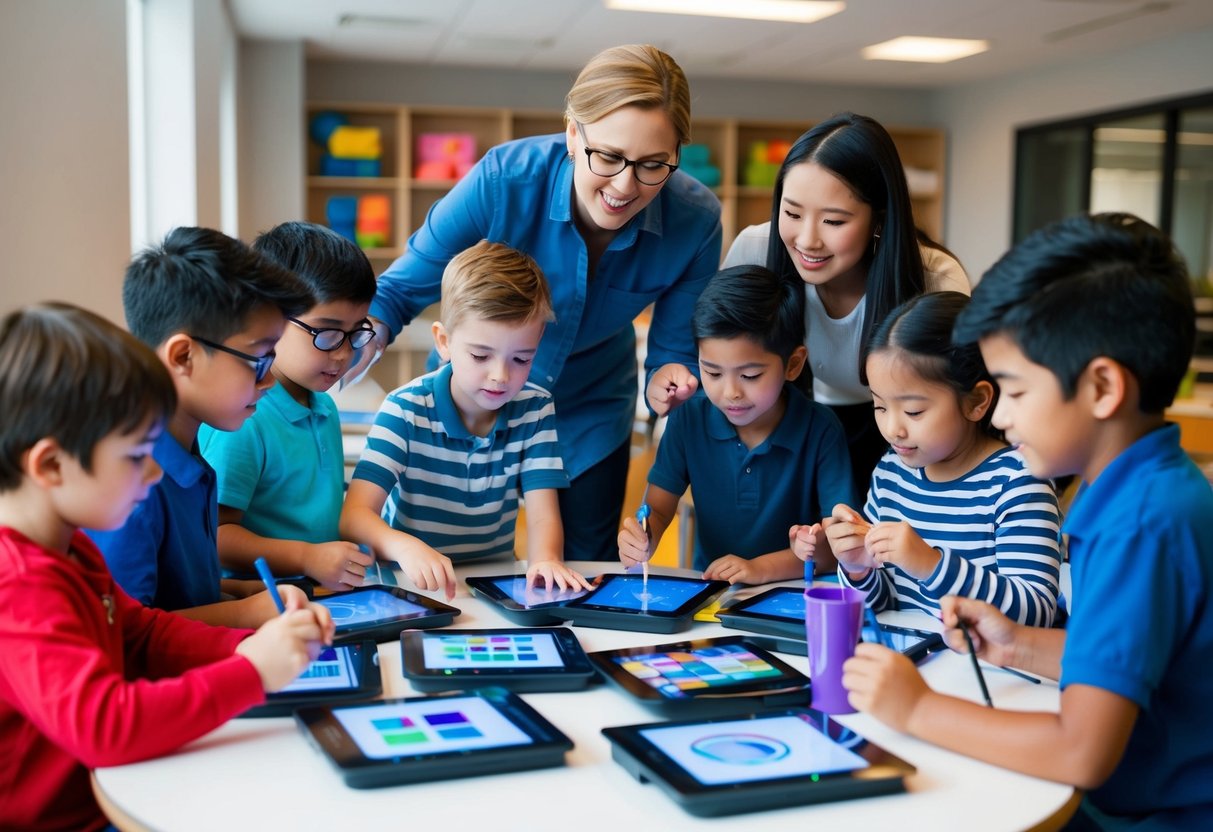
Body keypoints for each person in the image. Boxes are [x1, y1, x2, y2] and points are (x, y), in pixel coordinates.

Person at [843, 214, 1213, 829]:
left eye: (1014, 391)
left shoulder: (1141, 524)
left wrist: (918, 710)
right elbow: (1131, 659)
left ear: (1101, 388)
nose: (1003, 417)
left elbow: (1082, 751)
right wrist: (1018, 644)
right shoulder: (1139, 490)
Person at [354, 44, 723, 561]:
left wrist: (668, 378)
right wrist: (347, 343)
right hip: (469, 399)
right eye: (609, 157)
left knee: (583, 564)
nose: (625, 186)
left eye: (652, 165)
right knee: (447, 553)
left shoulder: (694, 220)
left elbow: (672, 351)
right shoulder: (505, 180)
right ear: (574, 133)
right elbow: (399, 291)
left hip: (590, 406)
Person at [0, 303, 334, 831]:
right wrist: (252, 671)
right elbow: (105, 725)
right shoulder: (17, 582)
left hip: (109, 794)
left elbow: (140, 633)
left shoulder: (67, 545)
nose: (154, 471)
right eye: (136, 455)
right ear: (50, 465)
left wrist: (250, 643)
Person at [722, 112, 969, 498]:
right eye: (791, 213)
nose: (806, 240)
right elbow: (717, 351)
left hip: (902, 430)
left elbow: (954, 404)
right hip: (796, 415)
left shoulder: (933, 279)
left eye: (834, 222)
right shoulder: (756, 248)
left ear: (879, 220)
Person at [87, 226, 317, 627]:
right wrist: (244, 614)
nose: (269, 382)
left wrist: (241, 594)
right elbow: (125, 633)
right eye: (259, 361)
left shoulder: (188, 456)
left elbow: (181, 597)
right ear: (183, 356)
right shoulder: (132, 484)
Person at [792, 291, 1061, 626]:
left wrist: (931, 565)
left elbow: (1036, 614)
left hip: (986, 674)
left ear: (976, 401)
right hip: (914, 666)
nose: (892, 428)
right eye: (879, 406)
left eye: (913, 411)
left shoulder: (1018, 481)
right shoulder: (891, 473)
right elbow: (882, 603)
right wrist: (858, 567)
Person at [342, 241, 591, 598]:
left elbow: (541, 515)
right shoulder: (404, 410)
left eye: (521, 359)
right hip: (408, 585)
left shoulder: (535, 408)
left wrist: (546, 559)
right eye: (480, 355)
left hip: (493, 584)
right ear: (443, 342)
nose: (500, 376)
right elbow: (355, 516)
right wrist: (404, 547)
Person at [618, 265, 855, 584]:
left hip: (794, 594)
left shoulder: (821, 430)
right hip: (714, 593)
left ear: (793, 364)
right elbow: (657, 511)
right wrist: (641, 537)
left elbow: (841, 547)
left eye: (750, 376)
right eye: (712, 373)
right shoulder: (689, 418)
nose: (730, 392)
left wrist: (759, 569)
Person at [200, 222, 378, 591]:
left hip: (322, 593)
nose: (344, 353)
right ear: (272, 320)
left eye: (356, 331)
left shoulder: (324, 406)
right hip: (261, 605)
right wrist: (306, 558)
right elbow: (216, 537)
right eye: (326, 333)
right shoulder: (244, 418)